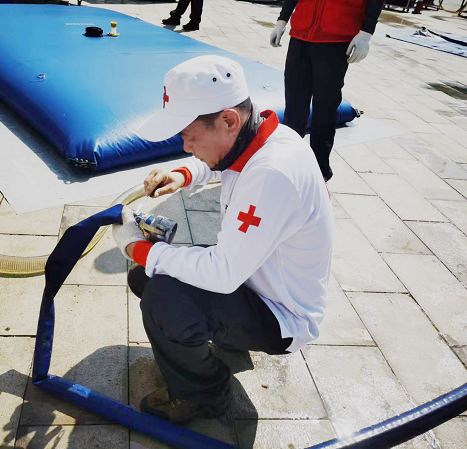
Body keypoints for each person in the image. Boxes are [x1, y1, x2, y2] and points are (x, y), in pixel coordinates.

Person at [112, 55, 334, 424]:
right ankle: (227, 337)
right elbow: (223, 159)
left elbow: (224, 273)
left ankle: (205, 396)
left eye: (189, 136)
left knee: (163, 299)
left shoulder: (273, 174)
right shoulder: (266, 136)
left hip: (282, 314)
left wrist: (140, 248)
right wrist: (184, 174)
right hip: (258, 279)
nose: (186, 146)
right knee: (146, 277)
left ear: (229, 119)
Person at [269, 0, 385, 181]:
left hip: (337, 38)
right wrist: (282, 20)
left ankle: (319, 169)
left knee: (325, 107)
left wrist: (366, 32)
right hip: (301, 34)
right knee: (294, 104)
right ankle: (288, 160)